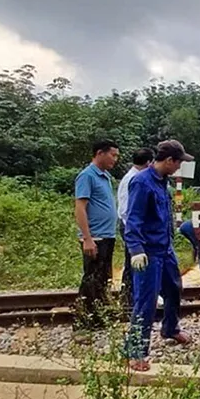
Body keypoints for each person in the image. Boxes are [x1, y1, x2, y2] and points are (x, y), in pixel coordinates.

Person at [124, 140, 195, 371]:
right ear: (169, 161)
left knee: (174, 288)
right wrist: (136, 249)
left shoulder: (163, 182)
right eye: (179, 163)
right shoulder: (142, 182)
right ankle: (135, 351)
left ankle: (170, 328)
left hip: (165, 249)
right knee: (146, 300)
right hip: (148, 251)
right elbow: (133, 218)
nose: (179, 168)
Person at [73, 139, 120, 331]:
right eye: (113, 155)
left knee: (102, 279)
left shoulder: (105, 176)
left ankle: (98, 320)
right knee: (91, 280)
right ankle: (82, 325)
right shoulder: (87, 176)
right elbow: (80, 208)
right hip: (95, 237)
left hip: (107, 235)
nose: (115, 159)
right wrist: (87, 238)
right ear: (100, 153)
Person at [116, 148, 156, 306]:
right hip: (130, 228)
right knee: (133, 264)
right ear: (148, 162)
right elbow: (127, 211)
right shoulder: (134, 179)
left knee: (135, 265)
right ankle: (129, 300)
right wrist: (134, 234)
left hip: (130, 227)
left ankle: (132, 299)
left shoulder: (133, 177)